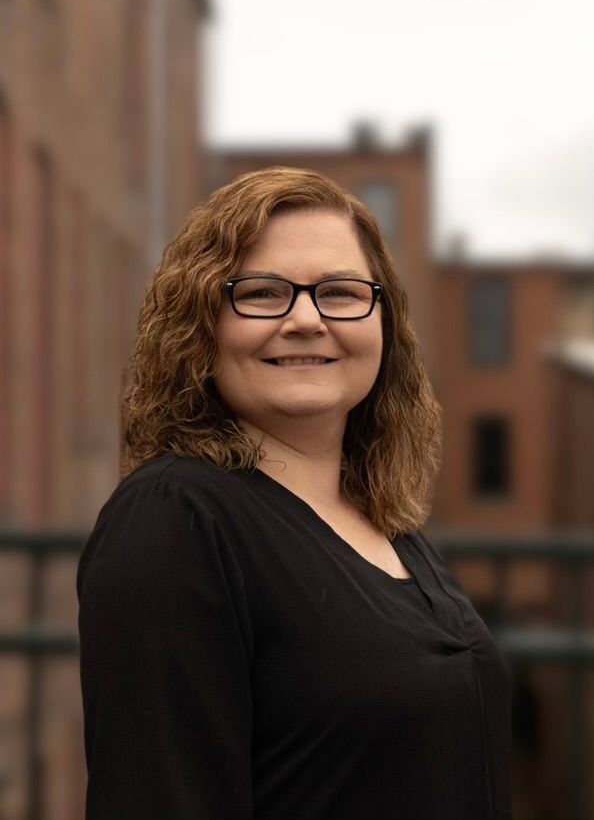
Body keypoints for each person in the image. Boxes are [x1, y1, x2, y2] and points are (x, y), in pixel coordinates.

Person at [77, 166, 512, 820]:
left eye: (339, 292)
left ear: (382, 321)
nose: (306, 319)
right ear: (203, 324)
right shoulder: (175, 522)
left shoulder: (382, 517)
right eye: (262, 292)